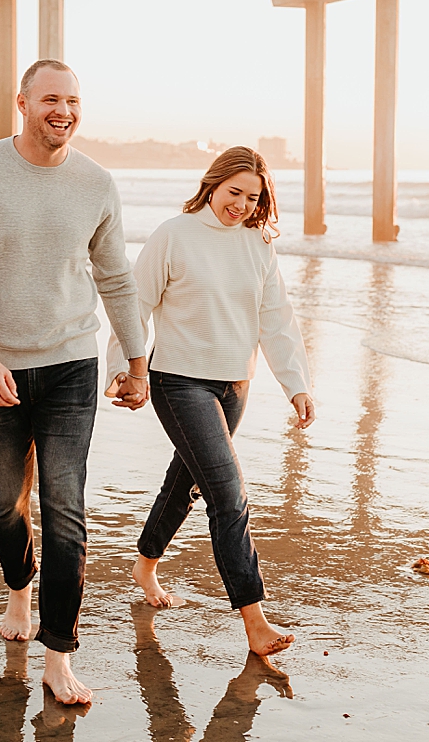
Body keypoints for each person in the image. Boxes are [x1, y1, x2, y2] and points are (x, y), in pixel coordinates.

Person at [0, 58, 150, 705]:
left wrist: (136, 361)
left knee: (65, 510)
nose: (65, 111)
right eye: (51, 98)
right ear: (22, 103)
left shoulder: (97, 183)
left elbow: (115, 278)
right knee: (6, 503)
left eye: (74, 100)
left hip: (70, 366)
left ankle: (59, 658)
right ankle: (18, 591)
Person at [106, 145, 316, 656]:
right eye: (234, 193)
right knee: (229, 497)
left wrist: (297, 384)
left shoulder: (258, 243)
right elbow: (136, 305)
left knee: (187, 483)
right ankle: (255, 620)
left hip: (234, 386)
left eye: (253, 197)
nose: (241, 205)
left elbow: (277, 318)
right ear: (213, 185)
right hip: (179, 382)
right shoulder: (174, 235)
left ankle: (145, 564)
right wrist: (126, 369)